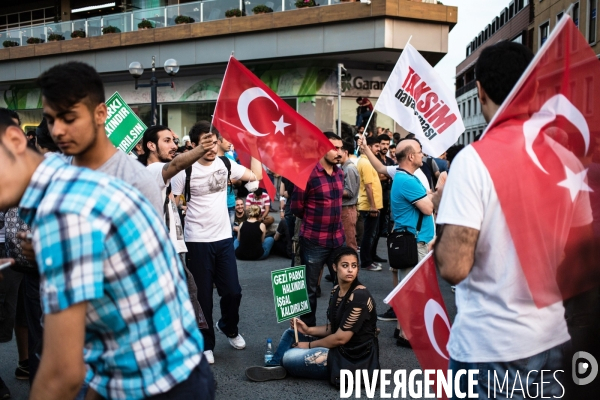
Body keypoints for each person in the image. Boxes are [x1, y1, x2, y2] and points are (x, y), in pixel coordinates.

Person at [0, 113, 214, 400]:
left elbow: (62, 374)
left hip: (163, 383)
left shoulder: (59, 208)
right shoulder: (62, 191)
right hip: (146, 371)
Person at [434, 42, 570, 399]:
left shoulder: (474, 159)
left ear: (479, 91)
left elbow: (453, 267)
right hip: (553, 338)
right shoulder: (563, 156)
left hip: (489, 349)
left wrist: (444, 217)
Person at [171, 121, 262, 364]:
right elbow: (171, 199)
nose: (211, 148)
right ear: (194, 145)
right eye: (205, 143)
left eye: (213, 142)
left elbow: (256, 178)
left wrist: (254, 149)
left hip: (223, 239)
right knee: (202, 297)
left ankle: (229, 327)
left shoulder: (225, 163)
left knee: (233, 292)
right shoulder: (184, 170)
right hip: (196, 240)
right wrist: (180, 206)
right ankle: (205, 342)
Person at [36, 61, 163, 214]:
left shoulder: (137, 182)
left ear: (100, 114)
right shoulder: (52, 172)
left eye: (69, 119)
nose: (56, 131)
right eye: (50, 120)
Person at [245, 247, 378, 382]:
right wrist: (308, 330)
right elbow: (335, 327)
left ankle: (280, 363)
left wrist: (308, 346)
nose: (350, 270)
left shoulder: (359, 296)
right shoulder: (336, 290)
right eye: (345, 265)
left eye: (354, 266)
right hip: (337, 346)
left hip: (350, 357)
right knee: (291, 333)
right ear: (334, 267)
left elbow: (340, 338)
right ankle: (274, 367)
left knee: (289, 357)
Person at [138, 124, 217, 331]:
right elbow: (175, 166)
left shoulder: (155, 176)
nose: (173, 145)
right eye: (166, 141)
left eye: (174, 141)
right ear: (150, 146)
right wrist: (201, 148)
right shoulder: (154, 169)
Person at [358, 138, 435, 344]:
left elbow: (381, 167)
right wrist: (442, 188)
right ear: (410, 156)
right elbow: (428, 208)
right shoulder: (408, 180)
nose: (422, 155)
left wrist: (365, 148)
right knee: (413, 290)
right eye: (419, 151)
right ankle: (405, 335)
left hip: (410, 238)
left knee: (406, 287)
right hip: (415, 241)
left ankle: (402, 330)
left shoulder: (399, 174)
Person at [290, 132, 344, 327]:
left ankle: (339, 328)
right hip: (314, 240)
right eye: (334, 148)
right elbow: (296, 207)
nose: (339, 153)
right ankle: (307, 330)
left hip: (337, 239)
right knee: (309, 289)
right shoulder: (307, 174)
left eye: (341, 148)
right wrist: (315, 219)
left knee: (343, 286)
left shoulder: (340, 172)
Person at [357, 136, 384, 271]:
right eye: (376, 146)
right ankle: (366, 262)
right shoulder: (366, 163)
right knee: (368, 235)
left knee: (371, 234)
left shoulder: (368, 162)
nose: (379, 149)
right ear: (368, 147)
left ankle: (369, 259)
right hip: (369, 206)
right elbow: (368, 186)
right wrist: (373, 206)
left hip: (373, 205)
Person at [340, 140, 359, 251]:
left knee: (349, 243)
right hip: (344, 209)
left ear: (345, 152)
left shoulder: (349, 168)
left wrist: (333, 189)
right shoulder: (343, 167)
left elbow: (350, 192)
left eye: (338, 150)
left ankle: (352, 266)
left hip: (348, 209)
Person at [376, 134, 395, 239]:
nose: (385, 146)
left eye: (387, 144)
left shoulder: (390, 161)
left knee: (384, 220)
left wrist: (385, 175)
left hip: (387, 194)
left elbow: (392, 175)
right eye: (383, 144)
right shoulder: (376, 159)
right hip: (377, 194)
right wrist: (386, 175)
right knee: (374, 227)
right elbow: (377, 177)